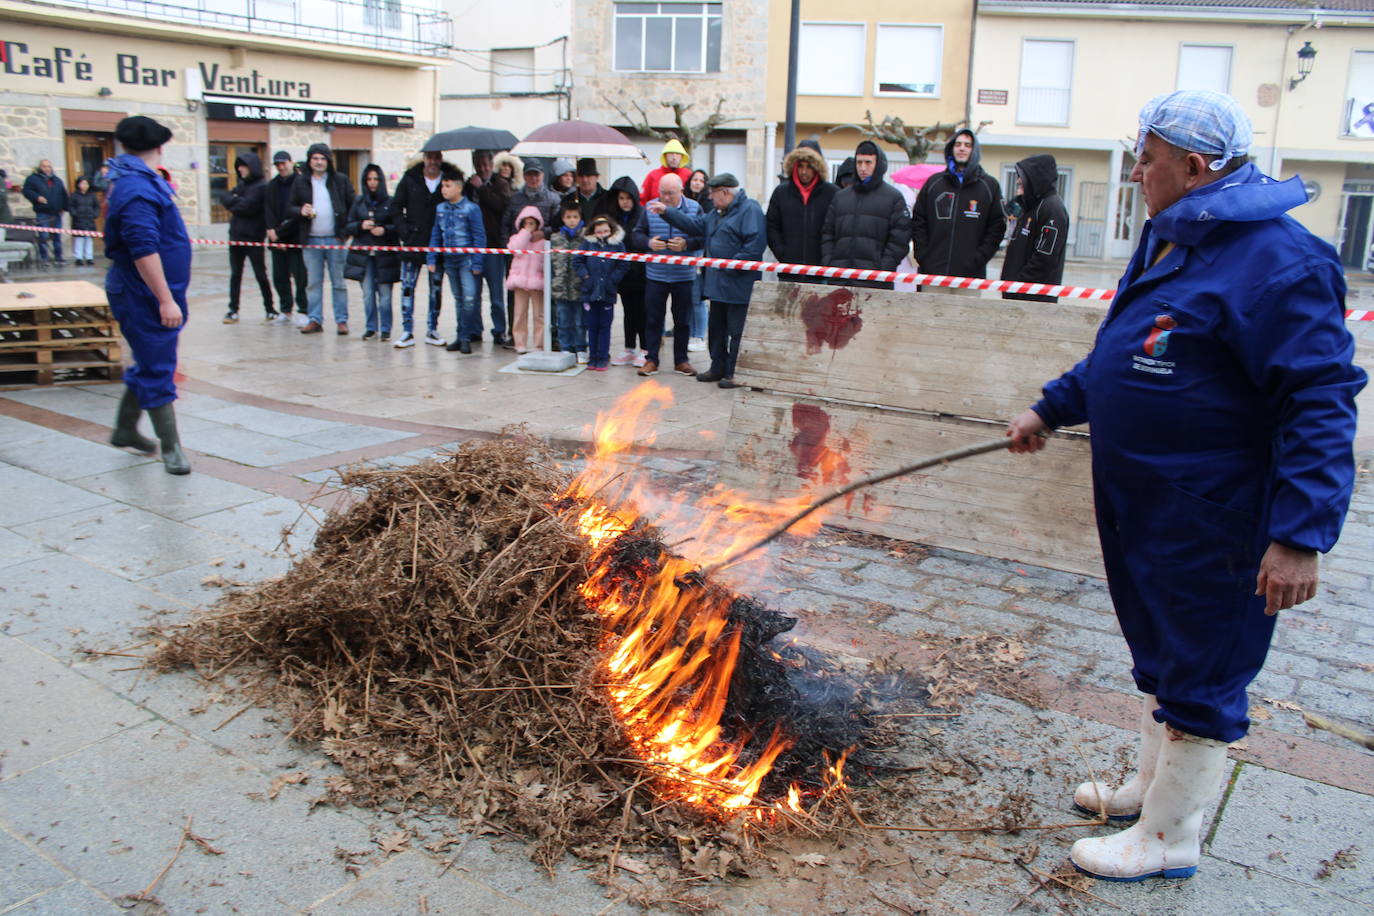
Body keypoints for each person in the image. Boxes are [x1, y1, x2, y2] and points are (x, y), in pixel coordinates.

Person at [1004, 90, 1366, 884]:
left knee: (1203, 665)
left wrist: (1300, 536)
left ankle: (1171, 837)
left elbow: (1319, 402)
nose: (1135, 172)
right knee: (1161, 650)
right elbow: (1125, 351)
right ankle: (1150, 791)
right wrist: (1052, 407)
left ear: (1195, 168)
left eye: (1147, 159)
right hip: (1146, 508)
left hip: (1217, 515)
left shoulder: (1280, 262)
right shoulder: (1173, 239)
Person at [103, 116, 193, 475]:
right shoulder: (136, 188)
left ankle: (125, 429)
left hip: (145, 291)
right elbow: (143, 249)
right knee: (158, 366)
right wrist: (164, 299)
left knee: (148, 361)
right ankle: (172, 450)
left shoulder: (135, 180)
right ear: (158, 147)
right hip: (143, 294)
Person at [656, 173, 767, 389]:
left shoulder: (750, 209)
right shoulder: (717, 213)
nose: (711, 199)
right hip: (717, 284)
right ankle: (718, 367)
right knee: (716, 328)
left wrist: (731, 265)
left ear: (725, 193)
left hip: (738, 283)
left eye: (714, 194)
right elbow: (694, 225)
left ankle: (733, 372)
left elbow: (754, 244)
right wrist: (667, 212)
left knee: (736, 331)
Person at [911, 129, 1006, 288]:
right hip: (933, 274)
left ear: (974, 151)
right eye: (958, 144)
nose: (962, 148)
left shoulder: (989, 186)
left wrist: (978, 259)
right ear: (951, 148)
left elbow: (997, 227)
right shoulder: (934, 183)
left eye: (967, 145)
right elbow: (919, 220)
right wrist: (924, 256)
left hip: (970, 278)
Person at [633, 173, 703, 377]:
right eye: (662, 193)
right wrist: (648, 243)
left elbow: (703, 236)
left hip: (684, 275)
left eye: (670, 194)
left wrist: (687, 244)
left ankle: (681, 360)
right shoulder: (650, 208)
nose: (665, 198)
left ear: (681, 191)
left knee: (683, 320)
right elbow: (636, 234)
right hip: (656, 274)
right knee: (653, 319)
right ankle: (651, 359)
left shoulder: (693, 208)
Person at [820, 140, 912, 289]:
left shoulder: (893, 197)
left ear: (878, 164)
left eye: (868, 163)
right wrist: (830, 263)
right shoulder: (840, 197)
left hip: (875, 282)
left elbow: (900, 239)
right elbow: (827, 234)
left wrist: (882, 269)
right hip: (840, 279)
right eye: (859, 162)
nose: (863, 168)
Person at [288, 143, 355, 335]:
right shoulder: (301, 182)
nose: (319, 162)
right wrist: (300, 211)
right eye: (315, 158)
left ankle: (341, 320)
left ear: (328, 161)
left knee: (339, 283)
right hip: (311, 240)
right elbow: (290, 208)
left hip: (335, 239)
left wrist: (346, 231)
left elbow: (352, 205)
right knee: (313, 283)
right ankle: (315, 319)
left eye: (322, 158)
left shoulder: (340, 180)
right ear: (309, 161)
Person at [393, 150, 451, 348]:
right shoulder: (410, 178)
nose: (433, 161)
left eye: (436, 158)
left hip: (438, 242)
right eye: (430, 157)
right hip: (414, 241)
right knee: (408, 286)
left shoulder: (448, 179)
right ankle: (407, 329)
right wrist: (405, 231)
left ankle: (432, 329)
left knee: (436, 287)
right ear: (425, 159)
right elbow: (396, 207)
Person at [426, 167, 485, 354]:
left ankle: (466, 336)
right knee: (459, 299)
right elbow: (436, 234)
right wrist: (432, 257)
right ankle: (460, 337)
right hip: (449, 260)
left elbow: (479, 236)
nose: (444, 189)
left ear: (459, 188)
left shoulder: (471, 208)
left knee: (469, 298)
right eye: (443, 186)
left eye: (448, 186)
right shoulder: (440, 208)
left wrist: (477, 262)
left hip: (466, 260)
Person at [1000, 154, 1069, 303]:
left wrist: (1020, 286)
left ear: (1036, 178)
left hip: (1031, 298)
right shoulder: (1030, 206)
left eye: (1023, 177)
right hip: (1015, 294)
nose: (1018, 181)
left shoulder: (1052, 208)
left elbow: (1044, 258)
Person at [766, 141, 837, 284]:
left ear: (817, 167)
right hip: (789, 272)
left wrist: (827, 259)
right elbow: (772, 226)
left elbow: (837, 228)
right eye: (800, 166)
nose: (804, 172)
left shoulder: (832, 193)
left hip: (820, 274)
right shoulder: (781, 193)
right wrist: (783, 253)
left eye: (809, 167)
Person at [344, 164, 400, 342]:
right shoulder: (359, 202)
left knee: (385, 295)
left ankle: (385, 328)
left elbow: (398, 226)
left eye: (376, 179)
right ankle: (371, 327)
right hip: (364, 254)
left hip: (385, 255)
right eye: (369, 179)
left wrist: (384, 230)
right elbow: (348, 225)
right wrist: (361, 226)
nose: (373, 183)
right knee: (368, 293)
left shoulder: (390, 202)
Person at [220, 150, 275, 324]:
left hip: (253, 237)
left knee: (260, 274)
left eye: (244, 166)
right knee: (236, 274)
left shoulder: (261, 186)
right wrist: (234, 200)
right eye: (239, 167)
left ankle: (270, 308)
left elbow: (247, 206)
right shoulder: (241, 185)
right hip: (236, 236)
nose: (241, 170)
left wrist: (234, 201)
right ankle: (233, 309)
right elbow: (225, 197)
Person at [468, 149, 514, 345]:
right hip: (473, 246)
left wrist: (482, 189)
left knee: (496, 294)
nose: (483, 168)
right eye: (479, 164)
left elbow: (501, 205)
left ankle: (499, 330)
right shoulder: (469, 184)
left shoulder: (500, 183)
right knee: (473, 293)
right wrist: (473, 188)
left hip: (493, 245)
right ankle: (475, 329)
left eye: (486, 164)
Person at [574, 215, 632, 371]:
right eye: (599, 232)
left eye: (606, 231)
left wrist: (613, 279)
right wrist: (586, 277)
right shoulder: (587, 244)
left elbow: (623, 264)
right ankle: (592, 357)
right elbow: (577, 261)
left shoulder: (617, 245)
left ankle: (603, 356)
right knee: (592, 326)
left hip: (608, 292)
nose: (602, 234)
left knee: (604, 326)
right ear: (593, 232)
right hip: (590, 291)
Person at [603, 176, 649, 367]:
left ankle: (645, 349)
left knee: (642, 312)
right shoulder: (613, 218)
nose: (625, 202)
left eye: (628, 198)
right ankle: (629, 347)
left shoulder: (642, 215)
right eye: (621, 198)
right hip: (622, 275)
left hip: (641, 273)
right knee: (628, 312)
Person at [264, 151, 307, 324]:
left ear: (291, 162)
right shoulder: (272, 185)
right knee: (279, 277)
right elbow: (268, 210)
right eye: (278, 165)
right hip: (276, 238)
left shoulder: (300, 183)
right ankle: (285, 309)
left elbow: (299, 212)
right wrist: (272, 232)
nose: (281, 167)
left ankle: (303, 309)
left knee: (300, 277)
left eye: (284, 163)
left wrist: (281, 233)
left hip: (295, 237)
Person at [505, 206, 548, 353]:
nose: (529, 226)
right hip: (520, 281)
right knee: (519, 313)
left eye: (532, 223)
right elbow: (515, 249)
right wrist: (525, 234)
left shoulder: (543, 242)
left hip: (537, 282)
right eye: (526, 223)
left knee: (539, 315)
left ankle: (538, 344)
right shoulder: (516, 238)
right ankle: (520, 343)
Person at [549, 199, 586, 363]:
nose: (572, 220)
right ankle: (566, 347)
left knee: (580, 322)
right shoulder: (555, 238)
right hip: (561, 288)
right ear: (563, 218)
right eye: (569, 217)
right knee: (563, 321)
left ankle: (581, 348)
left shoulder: (586, 239)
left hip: (579, 288)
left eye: (575, 217)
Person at [23, 159, 68, 267]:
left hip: (56, 213)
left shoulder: (57, 180)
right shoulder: (33, 179)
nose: (47, 169)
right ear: (40, 167)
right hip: (42, 213)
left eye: (49, 166)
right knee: (43, 236)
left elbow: (64, 194)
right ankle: (44, 258)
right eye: (44, 166)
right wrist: (37, 197)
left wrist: (64, 208)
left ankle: (58, 258)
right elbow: (26, 191)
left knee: (57, 237)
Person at [502, 163, 561, 242]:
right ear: (524, 176)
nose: (533, 178)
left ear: (542, 175)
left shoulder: (553, 199)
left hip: (542, 248)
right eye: (529, 174)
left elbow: (558, 226)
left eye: (536, 174)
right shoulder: (514, 199)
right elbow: (505, 225)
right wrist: (507, 248)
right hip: (518, 249)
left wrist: (544, 233)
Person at [639, 138, 693, 204]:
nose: (674, 157)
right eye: (671, 153)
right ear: (665, 156)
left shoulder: (688, 175)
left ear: (682, 156)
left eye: (677, 154)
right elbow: (642, 200)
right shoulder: (653, 175)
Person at [67, 176, 100, 267]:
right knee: (79, 239)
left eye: (86, 183)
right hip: (78, 220)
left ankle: (89, 257)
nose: (84, 185)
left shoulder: (92, 195)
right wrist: (75, 214)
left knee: (89, 239)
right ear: (78, 184)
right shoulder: (74, 195)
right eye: (82, 183)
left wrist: (94, 214)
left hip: (89, 220)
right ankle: (79, 258)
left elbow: (96, 206)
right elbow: (70, 206)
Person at [564, 158, 605, 223]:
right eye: (581, 176)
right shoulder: (568, 200)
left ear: (597, 177)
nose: (585, 180)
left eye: (588, 176)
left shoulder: (607, 198)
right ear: (576, 178)